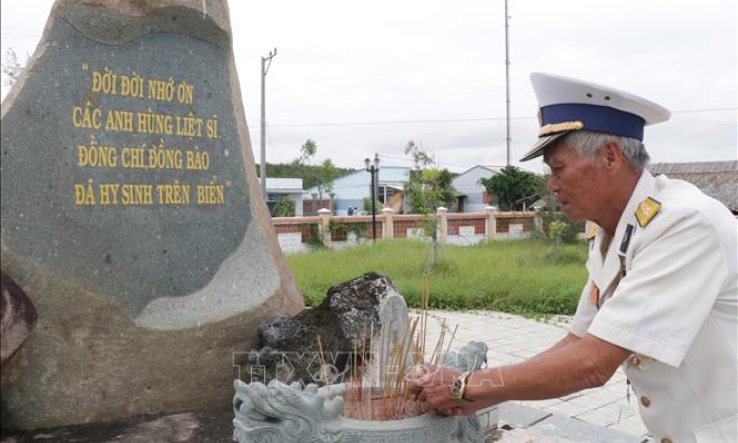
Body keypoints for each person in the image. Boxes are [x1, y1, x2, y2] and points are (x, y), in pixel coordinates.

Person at [408, 73, 737, 443]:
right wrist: (484, 392)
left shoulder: (683, 224)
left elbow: (593, 364)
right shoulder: (611, 231)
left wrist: (466, 384)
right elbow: (577, 342)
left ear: (610, 156)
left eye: (558, 168)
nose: (551, 185)